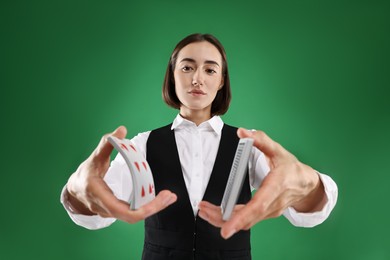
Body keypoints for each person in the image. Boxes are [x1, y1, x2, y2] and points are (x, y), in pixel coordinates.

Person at [61, 33, 338, 259]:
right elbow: (98, 205)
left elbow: (306, 209)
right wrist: (78, 190)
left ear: (220, 82)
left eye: (210, 69)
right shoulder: (143, 144)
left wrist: (309, 184)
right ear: (172, 76)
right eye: (187, 67)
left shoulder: (248, 145)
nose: (197, 78)